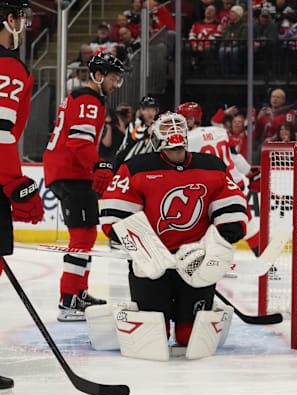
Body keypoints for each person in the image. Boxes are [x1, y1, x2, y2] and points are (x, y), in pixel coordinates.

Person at [98, 112, 248, 351]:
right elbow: (115, 218)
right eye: (167, 128)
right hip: (153, 263)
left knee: (190, 336)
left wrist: (214, 247)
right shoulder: (136, 168)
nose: (173, 133)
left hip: (194, 262)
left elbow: (232, 214)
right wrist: (145, 250)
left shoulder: (211, 166)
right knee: (154, 334)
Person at [42, 52, 125, 321]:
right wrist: (97, 165)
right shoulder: (89, 99)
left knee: (87, 234)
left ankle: (77, 293)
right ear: (98, 75)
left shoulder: (84, 98)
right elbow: (79, 142)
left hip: (67, 171)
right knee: (81, 236)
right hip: (72, 173)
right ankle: (68, 302)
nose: (115, 84)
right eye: (113, 78)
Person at [0, 0, 42, 395]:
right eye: (19, 18)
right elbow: (4, 135)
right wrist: (14, 182)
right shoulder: (13, 69)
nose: (24, 25)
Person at [177, 102, 262, 255]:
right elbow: (234, 157)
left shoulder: (187, 139)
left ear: (190, 120)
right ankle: (268, 264)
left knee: (208, 228)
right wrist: (249, 171)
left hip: (211, 189)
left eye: (181, 120)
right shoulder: (220, 132)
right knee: (245, 225)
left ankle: (218, 263)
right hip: (234, 185)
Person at [113, 96, 159, 166]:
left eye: (153, 110)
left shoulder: (155, 126)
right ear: (141, 111)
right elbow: (137, 134)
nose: (150, 114)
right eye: (147, 110)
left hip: (143, 165)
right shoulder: (134, 124)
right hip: (125, 164)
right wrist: (153, 128)